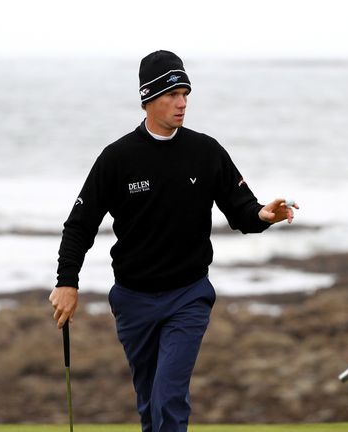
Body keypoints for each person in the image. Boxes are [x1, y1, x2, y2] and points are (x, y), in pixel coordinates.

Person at [49, 50, 299, 432]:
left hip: (188, 296)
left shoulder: (206, 151)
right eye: (172, 94)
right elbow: (80, 225)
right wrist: (67, 282)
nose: (181, 103)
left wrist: (264, 214)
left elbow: (241, 210)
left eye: (185, 94)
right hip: (133, 300)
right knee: (151, 405)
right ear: (148, 98)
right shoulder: (117, 159)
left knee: (168, 398)